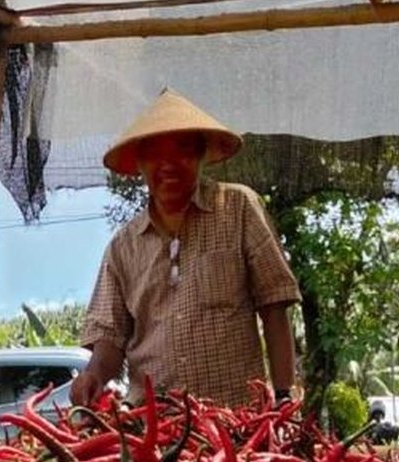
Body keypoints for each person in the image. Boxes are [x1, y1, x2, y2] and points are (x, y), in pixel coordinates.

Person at [70, 89, 300, 408]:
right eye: (154, 153)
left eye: (183, 150)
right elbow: (110, 337)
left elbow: (274, 305)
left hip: (236, 416)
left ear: (202, 155)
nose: (169, 164)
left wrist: (285, 394)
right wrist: (93, 375)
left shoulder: (237, 208)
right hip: (155, 425)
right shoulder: (122, 247)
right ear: (138, 163)